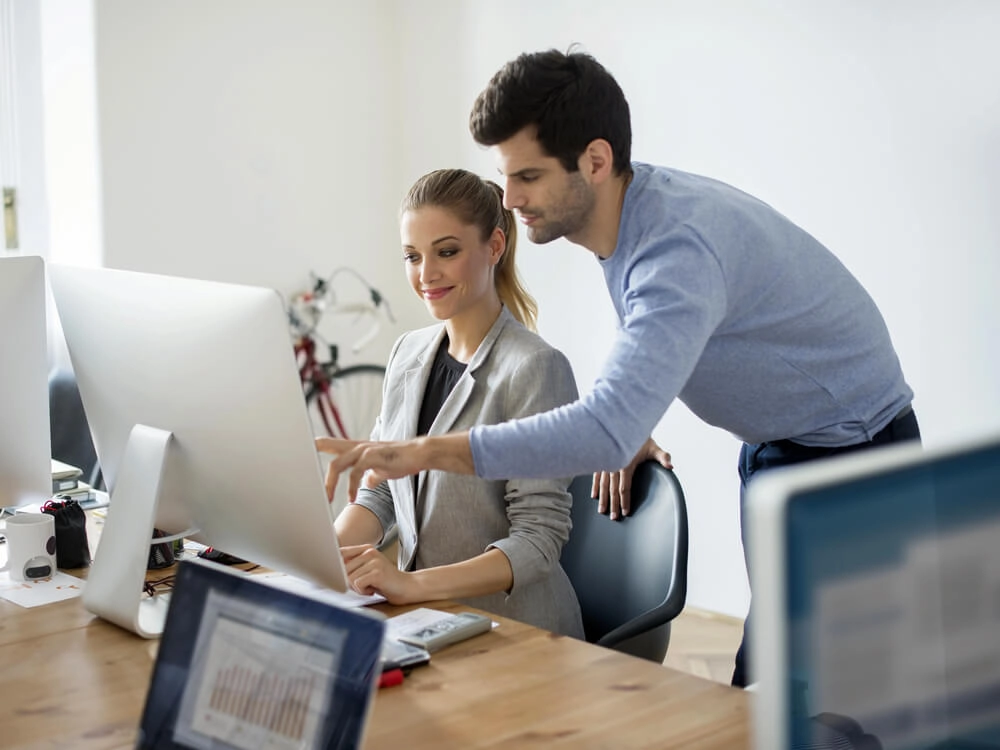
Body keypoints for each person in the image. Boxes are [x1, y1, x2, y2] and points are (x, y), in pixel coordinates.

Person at [317, 49, 919, 686]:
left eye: (528, 176)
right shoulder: (631, 217)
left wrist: (425, 452)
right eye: (506, 175)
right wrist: (629, 412)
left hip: (852, 455)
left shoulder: (674, 250)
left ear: (595, 161)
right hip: (779, 446)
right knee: (770, 685)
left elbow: (607, 418)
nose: (510, 198)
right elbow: (645, 341)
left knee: (819, 696)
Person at [323, 168, 584, 638]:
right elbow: (382, 491)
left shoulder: (536, 368)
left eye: (446, 252)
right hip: (424, 620)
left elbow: (537, 542)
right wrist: (320, 561)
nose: (426, 275)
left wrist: (407, 584)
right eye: (411, 256)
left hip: (516, 633)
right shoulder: (407, 353)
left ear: (495, 247)